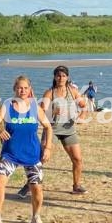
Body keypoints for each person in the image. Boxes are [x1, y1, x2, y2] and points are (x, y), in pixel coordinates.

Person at [0, 75, 53, 223]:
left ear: (30, 90)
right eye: (19, 88)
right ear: (15, 89)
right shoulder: (7, 105)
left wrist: (48, 148)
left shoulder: (35, 106)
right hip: (10, 153)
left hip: (32, 154)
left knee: (36, 188)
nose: (22, 91)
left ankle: (36, 216)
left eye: (25, 88)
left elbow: (48, 127)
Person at [19, 65, 88, 198]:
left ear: (67, 77)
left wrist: (82, 117)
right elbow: (41, 111)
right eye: (58, 75)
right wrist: (52, 111)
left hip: (69, 130)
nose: (60, 78)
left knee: (77, 159)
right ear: (54, 77)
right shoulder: (50, 93)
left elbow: (84, 107)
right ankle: (28, 185)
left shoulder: (73, 91)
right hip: (53, 130)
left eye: (63, 75)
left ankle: (77, 186)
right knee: (42, 158)